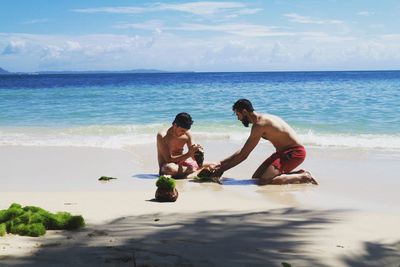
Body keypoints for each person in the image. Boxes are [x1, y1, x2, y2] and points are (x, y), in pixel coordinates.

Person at [210, 99, 318, 185]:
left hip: (294, 152)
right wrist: (220, 164)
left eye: (238, 115)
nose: (238, 119)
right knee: (256, 178)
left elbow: (244, 155)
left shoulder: (260, 125)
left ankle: (304, 176)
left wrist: (222, 170)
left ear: (244, 112)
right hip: (282, 153)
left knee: (264, 181)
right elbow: (243, 151)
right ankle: (297, 174)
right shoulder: (261, 120)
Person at [157, 112, 203, 179]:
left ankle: (192, 172)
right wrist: (189, 154)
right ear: (175, 125)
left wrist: (198, 152)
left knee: (214, 164)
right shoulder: (162, 136)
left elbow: (193, 157)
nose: (184, 133)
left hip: (183, 165)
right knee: (168, 168)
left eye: (186, 131)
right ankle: (196, 172)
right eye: (182, 130)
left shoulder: (187, 134)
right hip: (168, 166)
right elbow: (168, 159)